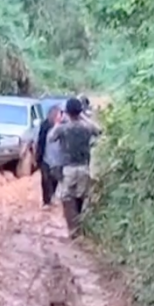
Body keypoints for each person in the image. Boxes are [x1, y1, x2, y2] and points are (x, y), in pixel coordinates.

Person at [47, 97, 101, 236]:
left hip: (68, 169)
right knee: (81, 197)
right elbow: (99, 130)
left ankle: (73, 228)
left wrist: (58, 122)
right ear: (80, 112)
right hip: (84, 167)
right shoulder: (86, 127)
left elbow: (50, 138)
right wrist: (83, 116)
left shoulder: (63, 129)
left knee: (67, 198)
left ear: (67, 112)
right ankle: (80, 227)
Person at [36, 104, 64, 207]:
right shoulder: (45, 125)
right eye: (58, 114)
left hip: (58, 157)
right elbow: (40, 141)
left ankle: (52, 196)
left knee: (55, 178)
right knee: (45, 179)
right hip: (46, 156)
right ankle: (46, 201)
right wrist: (38, 155)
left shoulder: (63, 126)